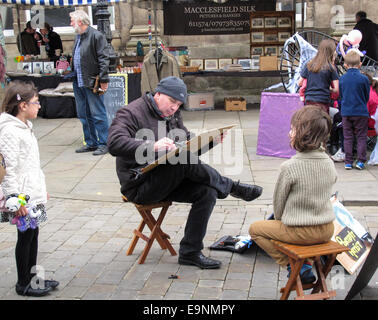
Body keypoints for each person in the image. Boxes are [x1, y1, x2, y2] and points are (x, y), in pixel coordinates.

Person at [107, 76, 263, 269]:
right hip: (139, 185)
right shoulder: (130, 113)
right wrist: (152, 145)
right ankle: (231, 186)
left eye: (179, 104)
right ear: (159, 93)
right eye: (172, 102)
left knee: (207, 191)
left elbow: (188, 148)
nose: (174, 108)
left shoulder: (172, 115)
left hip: (166, 179)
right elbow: (114, 143)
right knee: (180, 161)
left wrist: (210, 141)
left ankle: (190, 252)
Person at [249, 106, 337, 284]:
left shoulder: (290, 167)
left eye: (292, 129)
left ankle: (294, 264)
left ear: (303, 134)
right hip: (327, 229)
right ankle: (300, 265)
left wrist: (280, 222)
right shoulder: (329, 162)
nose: (289, 133)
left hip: (300, 232)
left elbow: (279, 206)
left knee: (255, 229)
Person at [0, 81, 59, 297]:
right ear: (22, 106)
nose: (39, 106)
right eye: (36, 102)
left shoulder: (26, 127)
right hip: (22, 198)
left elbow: (30, 165)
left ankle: (32, 276)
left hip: (32, 193)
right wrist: (15, 200)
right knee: (25, 237)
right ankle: (23, 282)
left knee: (33, 234)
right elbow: (9, 169)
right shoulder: (9, 131)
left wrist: (40, 191)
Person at [70, 10, 110, 156]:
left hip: (93, 81)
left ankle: (104, 143)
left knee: (98, 114)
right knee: (83, 114)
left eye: (72, 21)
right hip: (79, 81)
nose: (71, 24)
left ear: (80, 22)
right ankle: (91, 142)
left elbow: (104, 59)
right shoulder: (78, 37)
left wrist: (104, 80)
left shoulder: (96, 36)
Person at [339, 51, 370, 170]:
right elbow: (366, 96)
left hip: (346, 111)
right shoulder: (364, 79)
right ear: (360, 64)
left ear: (345, 65)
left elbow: (341, 96)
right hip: (361, 111)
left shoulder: (342, 79)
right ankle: (361, 161)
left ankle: (348, 161)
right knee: (361, 136)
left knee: (348, 137)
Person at [298, 39, 339, 114]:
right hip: (323, 101)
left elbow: (299, 82)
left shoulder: (309, 65)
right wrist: (329, 89)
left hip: (309, 100)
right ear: (331, 52)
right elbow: (336, 89)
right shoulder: (331, 68)